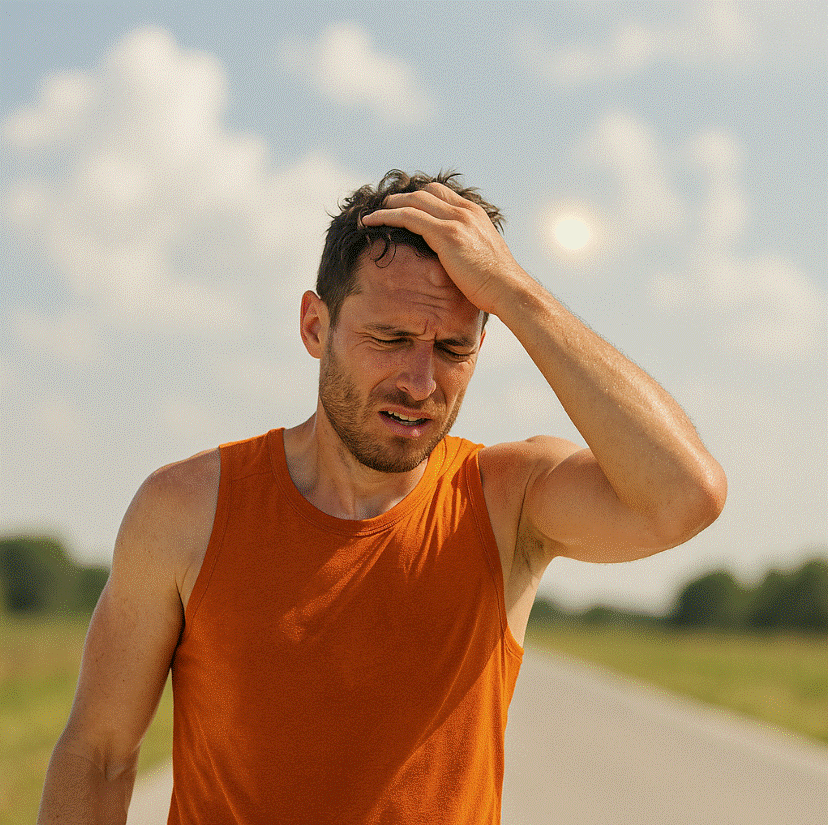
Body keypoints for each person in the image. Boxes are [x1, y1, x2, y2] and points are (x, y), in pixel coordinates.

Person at [38, 170, 726, 824]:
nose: (421, 381)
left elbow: (684, 495)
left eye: (454, 349)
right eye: (390, 338)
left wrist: (514, 290)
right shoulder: (185, 507)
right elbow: (98, 754)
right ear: (315, 326)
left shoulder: (507, 499)